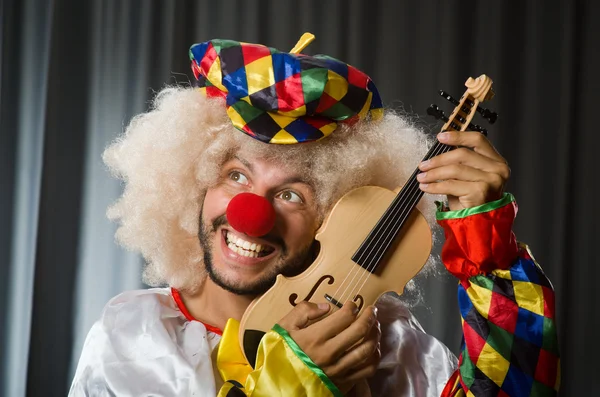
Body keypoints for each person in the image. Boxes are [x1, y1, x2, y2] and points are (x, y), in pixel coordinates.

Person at [69, 33, 560, 396]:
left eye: (293, 196)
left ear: (334, 217)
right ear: (193, 184)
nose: (250, 214)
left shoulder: (380, 339)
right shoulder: (134, 335)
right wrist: (293, 384)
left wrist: (488, 247)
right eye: (236, 177)